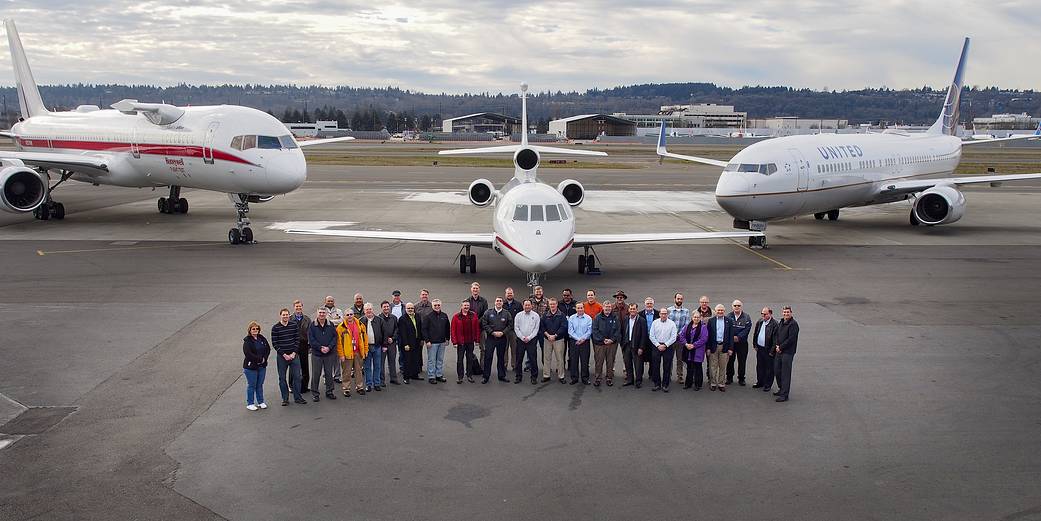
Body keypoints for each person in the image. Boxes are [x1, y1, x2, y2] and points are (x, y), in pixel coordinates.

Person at [272, 309, 305, 406]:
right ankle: (285, 399)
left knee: (297, 377)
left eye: (287, 315)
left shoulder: (293, 325)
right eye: (283, 315)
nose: (285, 316)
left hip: (294, 355)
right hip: (282, 357)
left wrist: (294, 353)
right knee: (282, 378)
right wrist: (284, 355)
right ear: (280, 315)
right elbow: (275, 344)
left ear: (289, 316)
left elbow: (297, 339)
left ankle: (298, 397)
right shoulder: (275, 328)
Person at [307, 308, 338, 401]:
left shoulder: (330, 324)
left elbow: (335, 337)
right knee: (316, 374)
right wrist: (320, 348)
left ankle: (329, 392)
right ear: (317, 314)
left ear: (326, 314)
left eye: (323, 313)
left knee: (329, 374)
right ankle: (315, 394)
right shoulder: (312, 326)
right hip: (317, 354)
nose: (321, 314)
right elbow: (311, 340)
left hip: (329, 354)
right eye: (320, 312)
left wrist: (329, 347)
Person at [337, 309, 368, 396]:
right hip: (347, 354)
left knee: (359, 371)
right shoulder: (340, 327)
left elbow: (365, 338)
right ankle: (346, 389)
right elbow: (339, 343)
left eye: (351, 314)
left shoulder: (360, 325)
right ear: (344, 316)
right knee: (346, 372)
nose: (350, 316)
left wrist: (365, 350)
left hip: (358, 352)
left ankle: (360, 387)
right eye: (347, 315)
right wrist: (341, 355)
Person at [481, 296, 512, 383]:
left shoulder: (507, 313)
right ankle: (486, 376)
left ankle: (501, 375)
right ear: (495, 302)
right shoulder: (488, 312)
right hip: (491, 338)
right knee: (488, 357)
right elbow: (484, 324)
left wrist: (503, 333)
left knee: (501, 357)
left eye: (500, 301)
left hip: (502, 338)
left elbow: (510, 325)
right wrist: (492, 332)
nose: (499, 302)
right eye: (497, 301)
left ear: (502, 303)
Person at [772, 306, 799, 402]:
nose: (786, 314)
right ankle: (781, 388)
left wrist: (781, 347)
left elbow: (791, 339)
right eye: (784, 312)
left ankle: (784, 395)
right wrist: (777, 346)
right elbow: (777, 335)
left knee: (785, 373)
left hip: (788, 352)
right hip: (779, 351)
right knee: (777, 370)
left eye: (788, 312)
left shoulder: (793, 324)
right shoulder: (781, 322)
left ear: (791, 313)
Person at [242, 320, 270, 410]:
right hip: (251, 367)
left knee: (260, 384)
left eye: (257, 328)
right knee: (252, 385)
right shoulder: (247, 341)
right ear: (249, 330)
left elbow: (268, 349)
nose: (255, 330)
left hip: (262, 366)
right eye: (253, 329)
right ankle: (250, 403)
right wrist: (259, 359)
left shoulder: (262, 338)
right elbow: (248, 354)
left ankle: (261, 401)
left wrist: (264, 359)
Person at [706, 304, 734, 392]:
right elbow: (708, 336)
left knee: (723, 366)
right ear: (715, 311)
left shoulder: (729, 321)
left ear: (724, 311)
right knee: (713, 366)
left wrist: (730, 348)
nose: (720, 312)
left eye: (722, 310)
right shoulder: (711, 321)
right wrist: (708, 348)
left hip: (724, 347)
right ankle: (713, 383)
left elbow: (731, 335)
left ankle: (721, 384)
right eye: (718, 310)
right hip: (714, 346)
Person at [591, 301, 620, 387]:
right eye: (606, 307)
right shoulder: (597, 317)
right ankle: (598, 378)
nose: (607, 309)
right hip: (600, 344)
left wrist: (612, 340)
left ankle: (609, 378)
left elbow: (618, 331)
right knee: (599, 362)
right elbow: (595, 331)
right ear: (603, 307)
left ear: (611, 308)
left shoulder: (615, 317)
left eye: (609, 307)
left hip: (612, 344)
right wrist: (603, 339)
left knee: (610, 361)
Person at [649, 308, 678, 392]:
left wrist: (665, 345)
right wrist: (658, 345)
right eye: (662, 313)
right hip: (656, 346)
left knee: (667, 366)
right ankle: (657, 384)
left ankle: (665, 384)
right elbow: (651, 336)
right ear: (659, 314)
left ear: (667, 314)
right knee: (655, 366)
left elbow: (673, 337)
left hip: (668, 347)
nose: (664, 315)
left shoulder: (672, 324)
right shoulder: (655, 323)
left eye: (665, 313)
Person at [620, 303, 649, 388]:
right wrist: (622, 344)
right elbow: (622, 332)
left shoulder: (642, 320)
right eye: (631, 309)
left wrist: (641, 347)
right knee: (628, 363)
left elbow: (644, 335)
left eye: (634, 309)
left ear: (637, 310)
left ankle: (638, 381)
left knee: (638, 365)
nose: (632, 310)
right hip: (627, 345)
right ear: (629, 310)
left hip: (637, 346)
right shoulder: (625, 319)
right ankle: (630, 380)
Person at [451, 301, 480, 384]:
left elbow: (477, 328)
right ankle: (460, 377)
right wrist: (454, 342)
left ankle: (469, 375)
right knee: (460, 360)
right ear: (461, 306)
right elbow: (453, 330)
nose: (466, 307)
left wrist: (477, 340)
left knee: (470, 359)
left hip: (470, 341)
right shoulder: (456, 317)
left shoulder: (474, 315)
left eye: (467, 305)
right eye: (465, 305)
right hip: (461, 342)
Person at [422, 299, 451, 384]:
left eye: (438, 305)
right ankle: (431, 376)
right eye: (435, 305)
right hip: (432, 343)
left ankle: (439, 375)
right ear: (432, 306)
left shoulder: (444, 316)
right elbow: (424, 329)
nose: (437, 307)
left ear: (440, 305)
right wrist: (427, 341)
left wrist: (447, 339)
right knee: (431, 360)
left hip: (442, 342)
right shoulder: (428, 316)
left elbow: (447, 328)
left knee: (440, 359)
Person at [513, 300, 541, 384]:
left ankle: (534, 377)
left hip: (531, 340)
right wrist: (522, 337)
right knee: (519, 359)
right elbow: (516, 328)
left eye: (529, 305)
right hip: (520, 340)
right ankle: (518, 376)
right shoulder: (518, 315)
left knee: (533, 359)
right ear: (523, 305)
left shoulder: (536, 315)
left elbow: (536, 329)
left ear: (531, 306)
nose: (527, 306)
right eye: (526, 305)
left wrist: (529, 338)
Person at [726, 299, 753, 386]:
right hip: (731, 343)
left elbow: (747, 329)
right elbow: (727, 329)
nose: (737, 307)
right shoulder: (728, 316)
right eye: (735, 305)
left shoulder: (746, 317)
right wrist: (732, 337)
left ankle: (741, 378)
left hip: (742, 343)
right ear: (732, 306)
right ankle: (729, 377)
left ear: (741, 306)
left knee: (742, 361)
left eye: (738, 305)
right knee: (730, 361)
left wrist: (739, 337)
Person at [541, 298, 568, 383]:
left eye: (554, 304)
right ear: (549, 305)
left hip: (558, 340)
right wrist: (548, 335)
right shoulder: (545, 315)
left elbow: (564, 327)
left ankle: (561, 376)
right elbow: (542, 327)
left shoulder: (562, 315)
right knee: (547, 358)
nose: (552, 305)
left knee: (560, 358)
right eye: (551, 304)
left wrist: (555, 335)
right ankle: (546, 375)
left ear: (557, 304)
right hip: (547, 339)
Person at [374, 301, 400, 386]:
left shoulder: (394, 318)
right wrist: (385, 340)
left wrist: (392, 338)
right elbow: (378, 332)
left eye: (387, 306)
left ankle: (393, 378)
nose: (386, 308)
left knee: (392, 361)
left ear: (390, 307)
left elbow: (397, 329)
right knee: (381, 363)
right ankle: (381, 380)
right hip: (382, 344)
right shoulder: (378, 318)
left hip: (392, 343)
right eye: (384, 307)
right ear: (381, 308)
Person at [668, 293, 691, 384]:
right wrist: (674, 334)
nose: (679, 300)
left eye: (681, 299)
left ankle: (680, 376)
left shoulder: (686, 311)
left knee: (680, 359)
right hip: (670, 339)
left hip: (681, 339)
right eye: (678, 298)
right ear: (674, 299)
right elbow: (667, 324)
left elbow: (687, 325)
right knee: (669, 358)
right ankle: (668, 375)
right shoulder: (669, 310)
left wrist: (679, 334)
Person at [397, 302, 423, 384]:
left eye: (412, 308)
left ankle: (415, 375)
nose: (410, 310)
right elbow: (402, 333)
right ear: (405, 309)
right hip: (407, 343)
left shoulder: (417, 316)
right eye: (408, 308)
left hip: (416, 342)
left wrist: (421, 339)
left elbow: (420, 328)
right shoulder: (402, 319)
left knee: (416, 359)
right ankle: (406, 377)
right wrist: (405, 344)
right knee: (407, 361)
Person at [680, 313, 708, 390]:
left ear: (700, 318)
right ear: (692, 318)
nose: (696, 319)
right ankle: (688, 384)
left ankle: (698, 384)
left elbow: (703, 339)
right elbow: (681, 336)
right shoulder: (687, 326)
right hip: (688, 350)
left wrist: (693, 345)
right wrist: (686, 344)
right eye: (695, 317)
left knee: (697, 368)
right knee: (689, 367)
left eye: (698, 317)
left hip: (698, 351)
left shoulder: (703, 327)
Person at [753, 307, 778, 391]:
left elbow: (775, 340)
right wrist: (755, 345)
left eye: (765, 314)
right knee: (760, 366)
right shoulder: (760, 321)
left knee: (769, 368)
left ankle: (768, 384)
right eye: (762, 314)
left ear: (770, 314)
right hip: (760, 348)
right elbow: (755, 334)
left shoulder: (774, 324)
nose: (763, 315)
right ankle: (760, 382)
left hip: (768, 349)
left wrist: (772, 351)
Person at [567, 302, 593, 385]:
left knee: (585, 361)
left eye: (581, 308)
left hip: (585, 342)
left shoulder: (588, 318)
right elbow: (570, 331)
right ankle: (574, 378)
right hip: (574, 342)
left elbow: (589, 331)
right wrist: (578, 339)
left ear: (583, 308)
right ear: (576, 309)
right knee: (574, 360)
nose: (580, 309)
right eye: (578, 308)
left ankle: (585, 378)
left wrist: (582, 339)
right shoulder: (571, 318)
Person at [322, 296, 345, 383]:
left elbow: (342, 321)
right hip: (326, 337)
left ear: (334, 301)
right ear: (325, 301)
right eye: (328, 301)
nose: (330, 302)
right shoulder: (322, 311)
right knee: (326, 358)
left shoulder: (339, 311)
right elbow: (323, 321)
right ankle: (326, 377)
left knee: (337, 357)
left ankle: (337, 376)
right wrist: (335, 320)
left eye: (331, 301)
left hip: (337, 337)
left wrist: (330, 321)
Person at [359, 304, 381, 392]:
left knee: (377, 366)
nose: (369, 311)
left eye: (370, 309)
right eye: (367, 309)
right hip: (366, 347)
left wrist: (384, 345)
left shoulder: (379, 320)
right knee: (367, 367)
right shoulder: (360, 321)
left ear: (373, 310)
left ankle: (377, 383)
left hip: (377, 346)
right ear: (364, 311)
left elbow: (384, 333)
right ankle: (369, 384)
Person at [291, 300, 311, 394]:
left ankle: (304, 386)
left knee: (304, 366)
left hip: (304, 345)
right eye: (296, 306)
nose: (298, 308)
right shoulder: (290, 318)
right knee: (293, 367)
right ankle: (291, 386)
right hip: (293, 346)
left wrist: (309, 346)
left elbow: (310, 333)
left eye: (300, 306)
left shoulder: (307, 319)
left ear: (302, 307)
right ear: (294, 307)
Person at [467, 282, 489, 361]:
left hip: (481, 328)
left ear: (479, 290)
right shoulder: (467, 301)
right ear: (471, 289)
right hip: (470, 329)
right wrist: (473, 322)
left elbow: (485, 314)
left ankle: (483, 368)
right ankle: (471, 368)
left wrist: (477, 322)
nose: (475, 290)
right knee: (469, 349)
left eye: (477, 288)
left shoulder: (484, 301)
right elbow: (466, 314)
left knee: (483, 348)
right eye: (474, 288)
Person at [502, 287, 523, 370]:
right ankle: (504, 365)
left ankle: (514, 365)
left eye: (511, 293)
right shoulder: (502, 304)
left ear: (513, 294)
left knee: (514, 349)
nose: (509, 295)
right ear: (505, 294)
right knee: (504, 349)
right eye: (508, 293)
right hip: (504, 331)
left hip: (514, 331)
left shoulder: (518, 304)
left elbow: (521, 317)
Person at [612, 291, 629, 381]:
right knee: (612, 354)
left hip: (624, 335)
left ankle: (626, 371)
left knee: (625, 354)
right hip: (614, 334)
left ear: (624, 298)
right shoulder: (611, 307)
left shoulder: (628, 308)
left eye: (621, 297)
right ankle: (611, 370)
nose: (619, 299)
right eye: (617, 297)